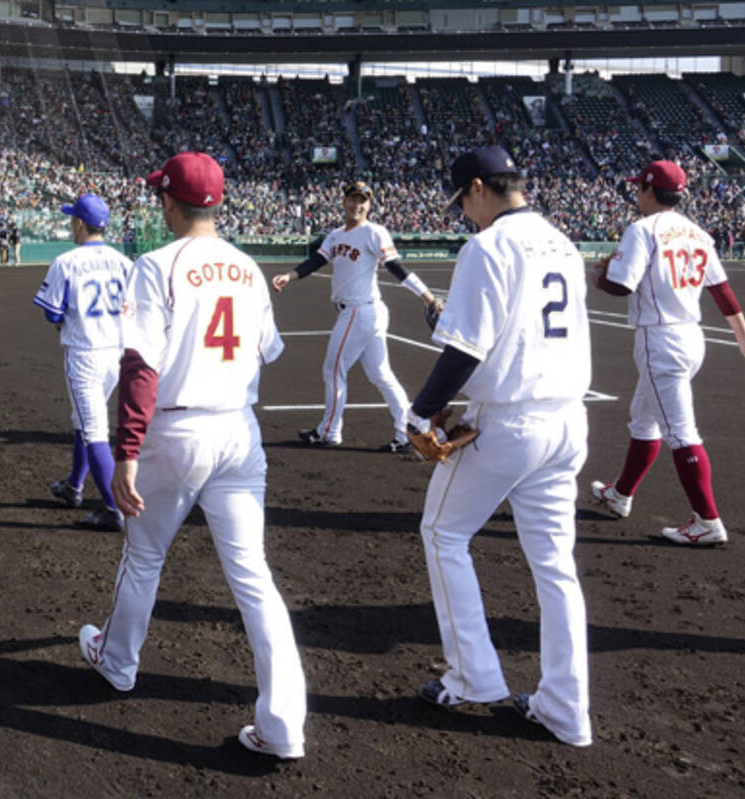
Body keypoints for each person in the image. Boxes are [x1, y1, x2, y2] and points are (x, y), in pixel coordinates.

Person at [79, 152, 306, 760]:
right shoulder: (248, 267)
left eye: (162, 196)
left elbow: (141, 366)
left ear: (170, 202)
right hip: (238, 430)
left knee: (144, 554)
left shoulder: (156, 265)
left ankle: (118, 662)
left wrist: (125, 451)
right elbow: (268, 351)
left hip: (176, 433)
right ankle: (283, 726)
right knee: (254, 577)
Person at [412, 146, 593, 748]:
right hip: (567, 419)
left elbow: (467, 346)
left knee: (443, 534)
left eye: (464, 200)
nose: (465, 213)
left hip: (509, 421)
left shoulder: (488, 246)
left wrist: (419, 412)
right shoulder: (562, 241)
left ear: (479, 189)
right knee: (556, 567)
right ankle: (566, 708)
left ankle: (473, 677)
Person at [591, 160, 745, 545]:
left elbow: (622, 285)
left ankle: (707, 520)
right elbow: (720, 289)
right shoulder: (697, 232)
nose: (637, 193)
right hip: (691, 336)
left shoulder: (642, 230)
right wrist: (744, 334)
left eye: (640, 187)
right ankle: (620, 493)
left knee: (680, 432)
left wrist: (600, 277)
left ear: (651, 191)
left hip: (661, 339)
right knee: (644, 420)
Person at [271, 180, 438, 451]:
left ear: (370, 205)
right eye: (353, 199)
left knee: (334, 369)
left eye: (363, 200)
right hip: (361, 312)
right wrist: (289, 276)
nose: (357, 205)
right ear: (344, 202)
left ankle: (329, 431)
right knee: (381, 374)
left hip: (360, 311)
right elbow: (317, 261)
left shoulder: (374, 232)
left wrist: (427, 296)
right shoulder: (336, 235)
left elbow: (395, 267)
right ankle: (408, 431)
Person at [35, 193, 132, 531]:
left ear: (79, 223)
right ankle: (74, 485)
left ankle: (112, 509)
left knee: (94, 431)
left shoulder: (67, 262)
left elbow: (52, 313)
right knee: (83, 419)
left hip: (85, 353)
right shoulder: (124, 261)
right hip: (117, 353)